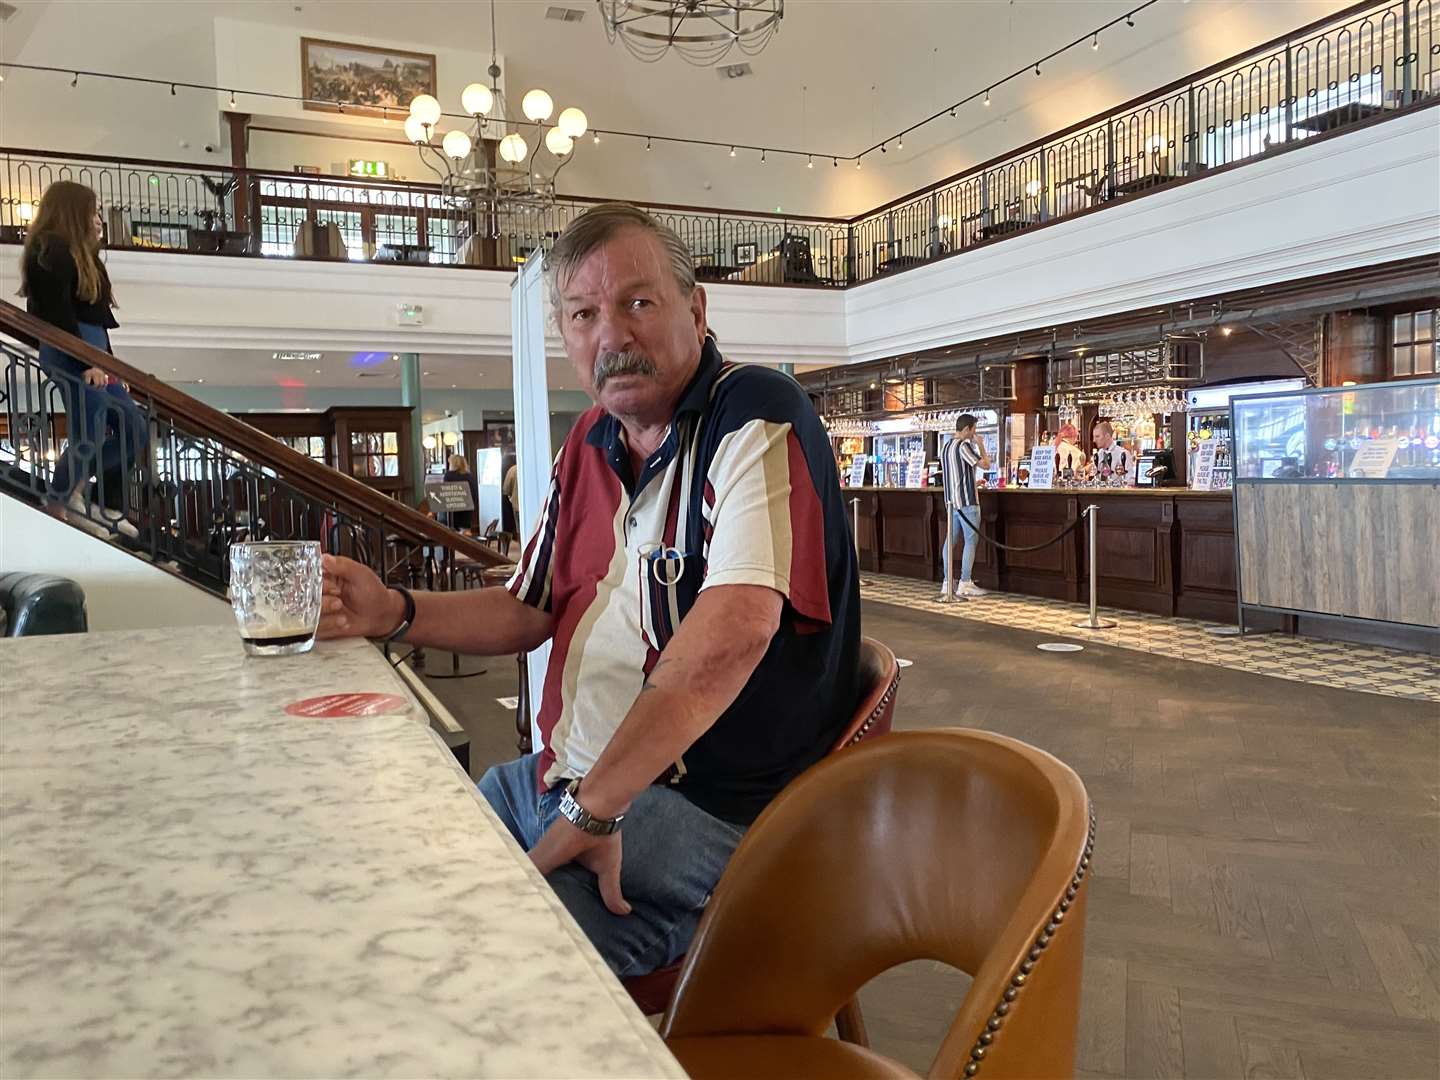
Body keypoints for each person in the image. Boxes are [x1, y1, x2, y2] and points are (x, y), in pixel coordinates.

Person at [318, 203, 860, 979]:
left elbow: (736, 630)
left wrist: (596, 805)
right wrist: (393, 611)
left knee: (471, 964)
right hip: (561, 780)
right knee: (394, 884)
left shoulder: (754, 415)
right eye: (582, 313)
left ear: (696, 309)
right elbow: (526, 606)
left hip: (700, 809)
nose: (611, 334)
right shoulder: (590, 441)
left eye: (638, 302)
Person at [19, 180, 148, 539]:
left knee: (133, 430)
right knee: (88, 431)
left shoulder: (85, 257)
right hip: (70, 351)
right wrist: (86, 361)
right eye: (92, 212)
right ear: (74, 213)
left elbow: (99, 321)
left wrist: (109, 364)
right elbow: (58, 314)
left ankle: (85, 496)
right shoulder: (49, 250)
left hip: (93, 353)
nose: (98, 220)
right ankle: (60, 501)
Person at [940, 413, 991, 600]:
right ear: (967, 429)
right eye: (974, 430)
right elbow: (986, 465)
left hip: (951, 502)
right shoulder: (964, 446)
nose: (974, 434)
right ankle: (965, 582)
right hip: (967, 502)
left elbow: (956, 476)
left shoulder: (945, 447)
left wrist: (972, 481)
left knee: (950, 542)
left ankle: (947, 582)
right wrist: (981, 445)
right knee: (971, 541)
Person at [443, 452, 478, 532]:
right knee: (465, 534)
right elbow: (474, 494)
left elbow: (445, 493)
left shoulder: (449, 475)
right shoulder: (469, 476)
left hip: (452, 512)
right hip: (466, 510)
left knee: (452, 535)